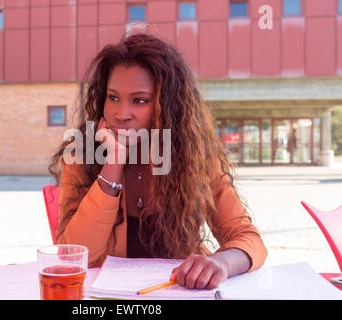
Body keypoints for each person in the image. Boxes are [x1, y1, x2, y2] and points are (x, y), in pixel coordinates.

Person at [48, 32, 267, 290]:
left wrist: (222, 263)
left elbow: (247, 239)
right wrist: (113, 164)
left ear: (167, 106)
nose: (122, 114)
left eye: (139, 100)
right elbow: (76, 256)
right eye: (113, 97)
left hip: (179, 292)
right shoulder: (81, 156)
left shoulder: (195, 159)